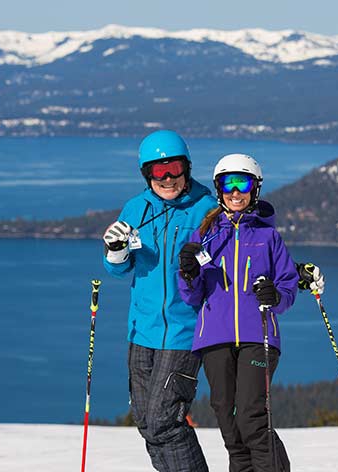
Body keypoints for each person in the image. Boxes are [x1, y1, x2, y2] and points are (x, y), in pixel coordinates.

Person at [178, 153, 308, 472]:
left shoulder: (268, 237)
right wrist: (189, 273)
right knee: (228, 421)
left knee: (251, 416)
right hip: (215, 337)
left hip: (258, 336)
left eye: (243, 183)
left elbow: (288, 285)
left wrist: (275, 295)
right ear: (219, 189)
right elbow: (191, 296)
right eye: (227, 184)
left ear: (255, 189)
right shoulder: (204, 236)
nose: (235, 192)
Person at [102, 130, 215, 472]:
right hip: (142, 330)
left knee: (165, 419)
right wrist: (116, 252)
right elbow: (119, 270)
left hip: (184, 330)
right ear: (146, 174)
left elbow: (221, 268)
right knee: (146, 422)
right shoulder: (136, 208)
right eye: (158, 171)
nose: (167, 178)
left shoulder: (206, 210)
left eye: (174, 168)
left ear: (187, 168)